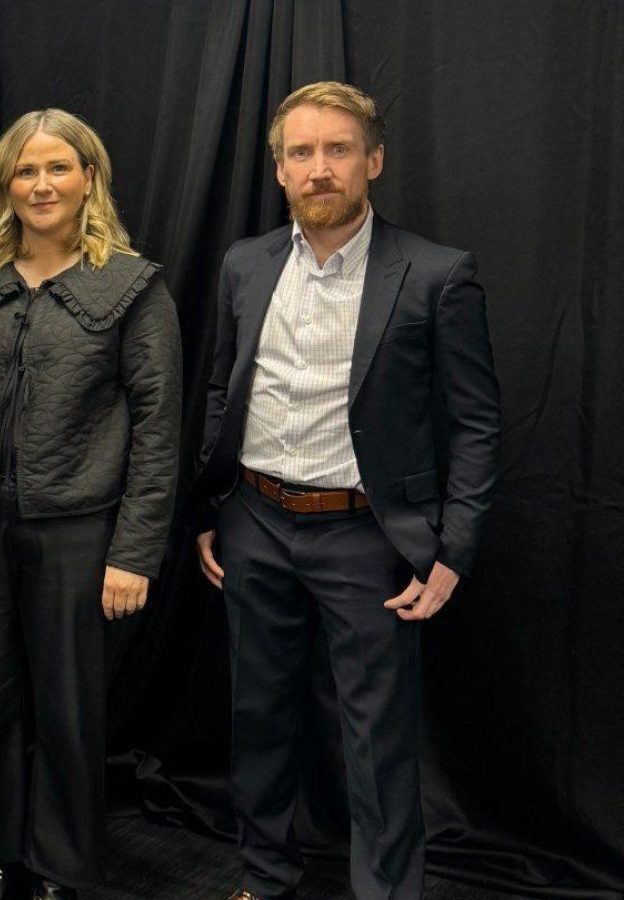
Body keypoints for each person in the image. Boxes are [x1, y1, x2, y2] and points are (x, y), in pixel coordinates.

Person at [191, 82, 500, 900]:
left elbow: (476, 425)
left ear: (374, 160)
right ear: (280, 169)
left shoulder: (436, 274)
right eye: (301, 152)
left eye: (336, 150)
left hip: (367, 537)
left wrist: (452, 550)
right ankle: (264, 877)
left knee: (376, 739)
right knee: (257, 720)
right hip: (253, 522)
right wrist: (212, 505)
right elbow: (223, 387)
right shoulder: (245, 264)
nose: (318, 168)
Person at [0, 109, 181, 900]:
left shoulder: (132, 285)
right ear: (4, 185)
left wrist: (134, 552)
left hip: (80, 531)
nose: (41, 184)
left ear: (90, 178)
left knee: (68, 707)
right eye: (25, 170)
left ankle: (59, 868)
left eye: (59, 168)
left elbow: (158, 426)